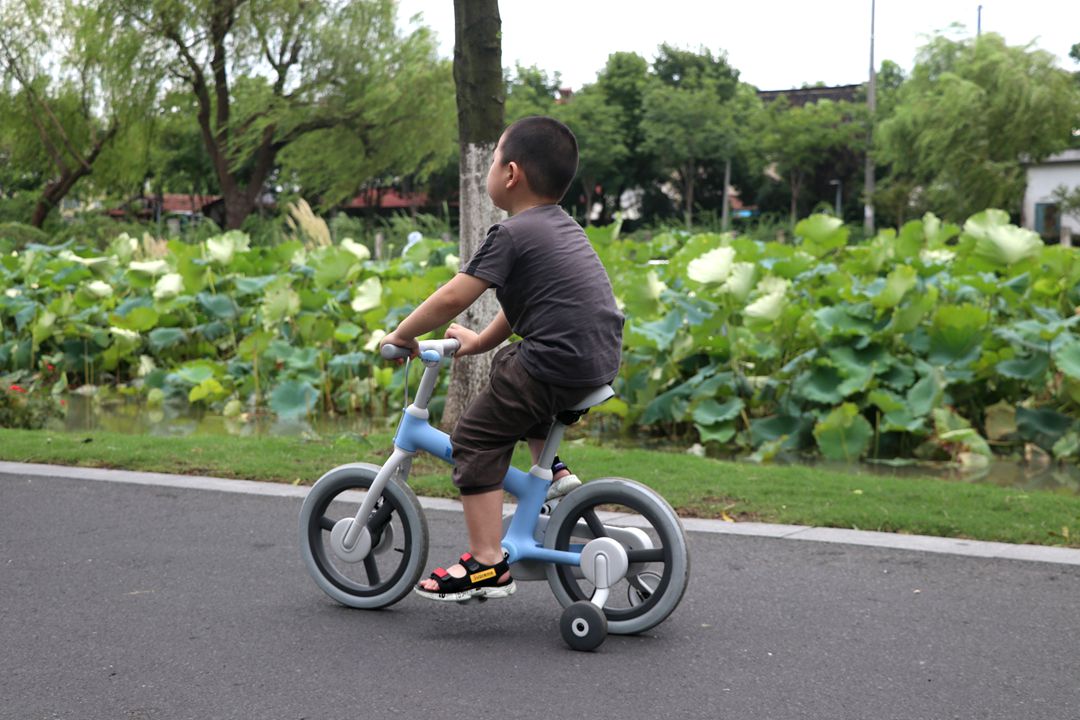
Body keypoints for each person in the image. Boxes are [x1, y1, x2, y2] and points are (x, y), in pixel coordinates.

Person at [380, 116, 624, 602]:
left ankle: (486, 562)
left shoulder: (512, 233)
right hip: (594, 357)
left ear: (510, 173)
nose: (490, 169)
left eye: (492, 161)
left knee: (474, 438)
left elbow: (454, 296)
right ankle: (551, 470)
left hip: (555, 359)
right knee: (510, 367)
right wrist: (480, 342)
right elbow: (526, 305)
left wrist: (404, 334)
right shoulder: (561, 227)